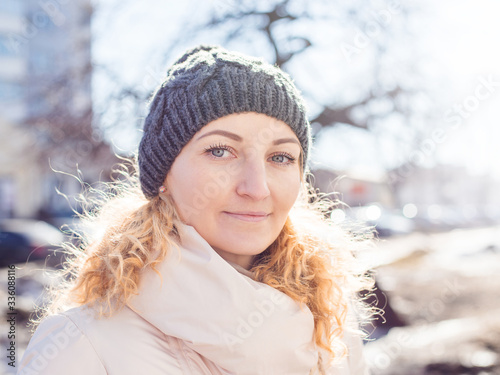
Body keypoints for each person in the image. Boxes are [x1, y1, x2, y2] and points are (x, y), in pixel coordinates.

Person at [18, 45, 374, 375]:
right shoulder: (80, 347)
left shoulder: (335, 332)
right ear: (163, 175)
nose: (256, 187)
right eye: (220, 151)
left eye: (280, 157)